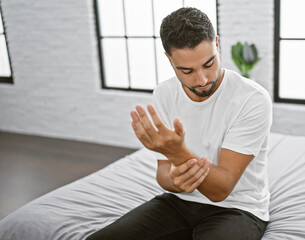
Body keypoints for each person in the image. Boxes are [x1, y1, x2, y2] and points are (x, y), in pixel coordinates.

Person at [86, 7, 272, 240]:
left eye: (209, 64)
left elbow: (221, 189)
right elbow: (163, 174)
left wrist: (177, 151)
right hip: (178, 202)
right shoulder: (164, 93)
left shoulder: (251, 98)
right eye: (186, 70)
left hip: (238, 208)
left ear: (216, 43)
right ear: (169, 59)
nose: (202, 80)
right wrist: (176, 179)